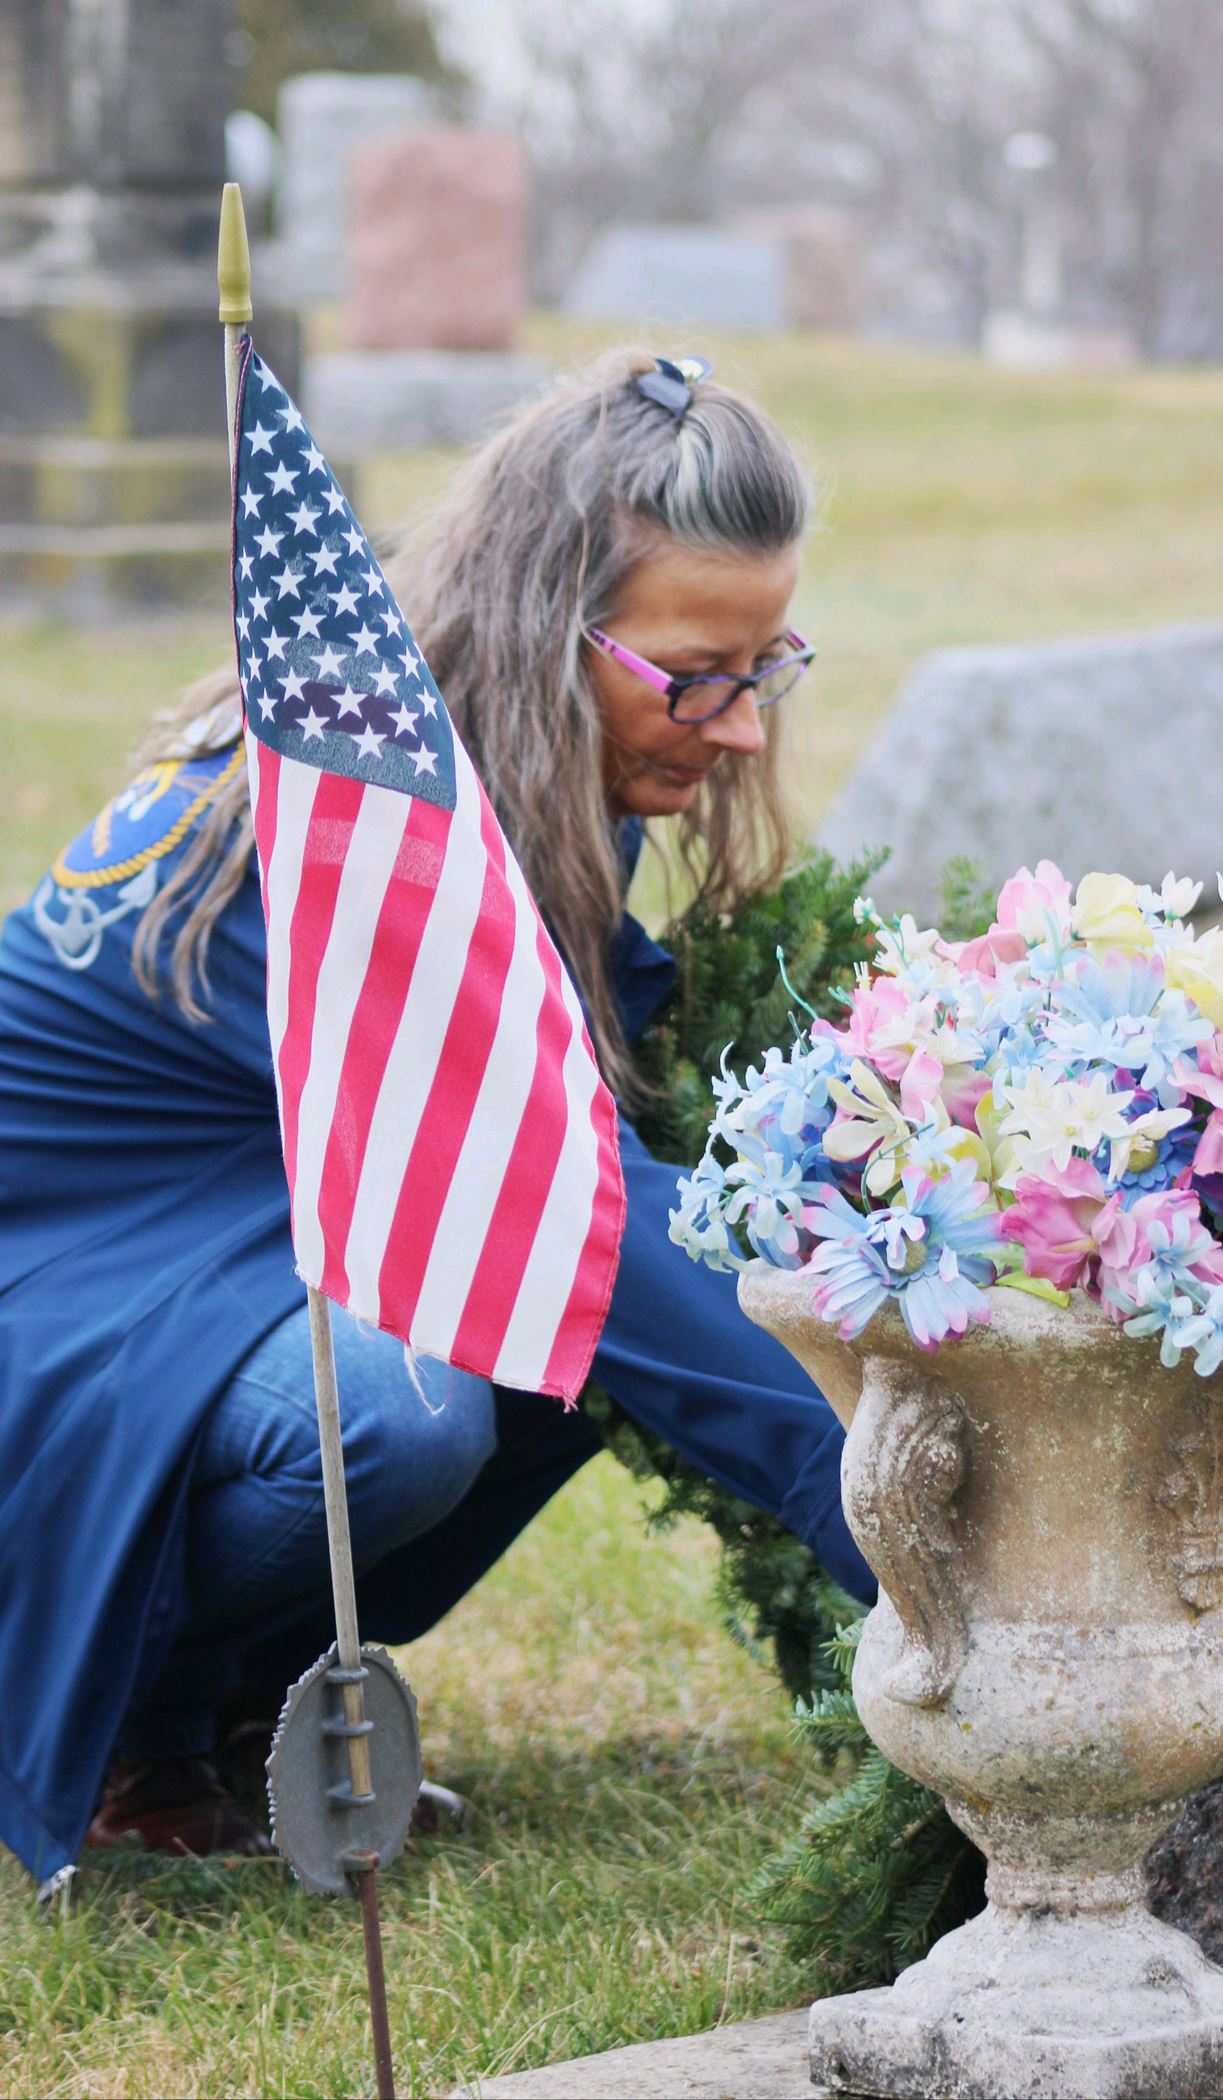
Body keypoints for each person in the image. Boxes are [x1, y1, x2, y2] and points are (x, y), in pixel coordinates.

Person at [0, 349, 875, 1878]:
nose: (741, 730)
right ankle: (140, 1727)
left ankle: (220, 1712)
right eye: (694, 676)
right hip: (56, 1295)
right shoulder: (355, 820)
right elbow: (585, 1221)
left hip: (199, 1245)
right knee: (412, 1404)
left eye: (768, 663)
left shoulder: (477, 759)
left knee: (535, 1350)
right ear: (550, 628)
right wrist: (908, 1515)